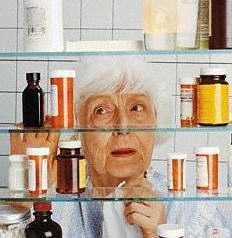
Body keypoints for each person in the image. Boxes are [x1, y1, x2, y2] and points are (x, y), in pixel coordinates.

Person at [10, 56, 223, 238]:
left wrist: (156, 234)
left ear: (156, 120)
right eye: (102, 110)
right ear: (77, 125)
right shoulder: (52, 201)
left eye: (136, 108)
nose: (122, 126)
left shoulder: (193, 207)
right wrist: (23, 198)